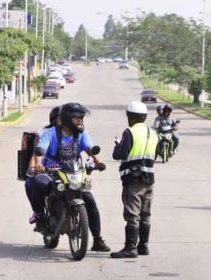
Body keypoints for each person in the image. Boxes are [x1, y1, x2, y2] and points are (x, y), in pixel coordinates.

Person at [31, 103, 110, 252]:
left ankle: (97, 239)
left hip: (74, 172)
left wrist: (99, 162)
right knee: (39, 182)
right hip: (52, 171)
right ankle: (40, 217)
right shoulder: (51, 133)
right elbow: (40, 150)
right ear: (67, 119)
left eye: (81, 118)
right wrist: (39, 164)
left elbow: (89, 149)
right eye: (77, 118)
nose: (80, 121)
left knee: (90, 200)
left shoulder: (81, 134)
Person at [111, 101, 159, 258]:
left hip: (133, 180)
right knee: (146, 214)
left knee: (133, 214)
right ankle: (143, 246)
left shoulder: (129, 132)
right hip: (149, 179)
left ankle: (130, 248)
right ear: (144, 117)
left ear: (129, 117)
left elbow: (120, 154)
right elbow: (155, 154)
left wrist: (118, 146)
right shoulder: (153, 133)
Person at [24, 106, 61, 222]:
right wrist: (33, 167)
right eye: (64, 118)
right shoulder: (45, 133)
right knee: (30, 183)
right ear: (55, 120)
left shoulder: (74, 132)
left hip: (69, 170)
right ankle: (38, 212)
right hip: (47, 169)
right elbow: (36, 153)